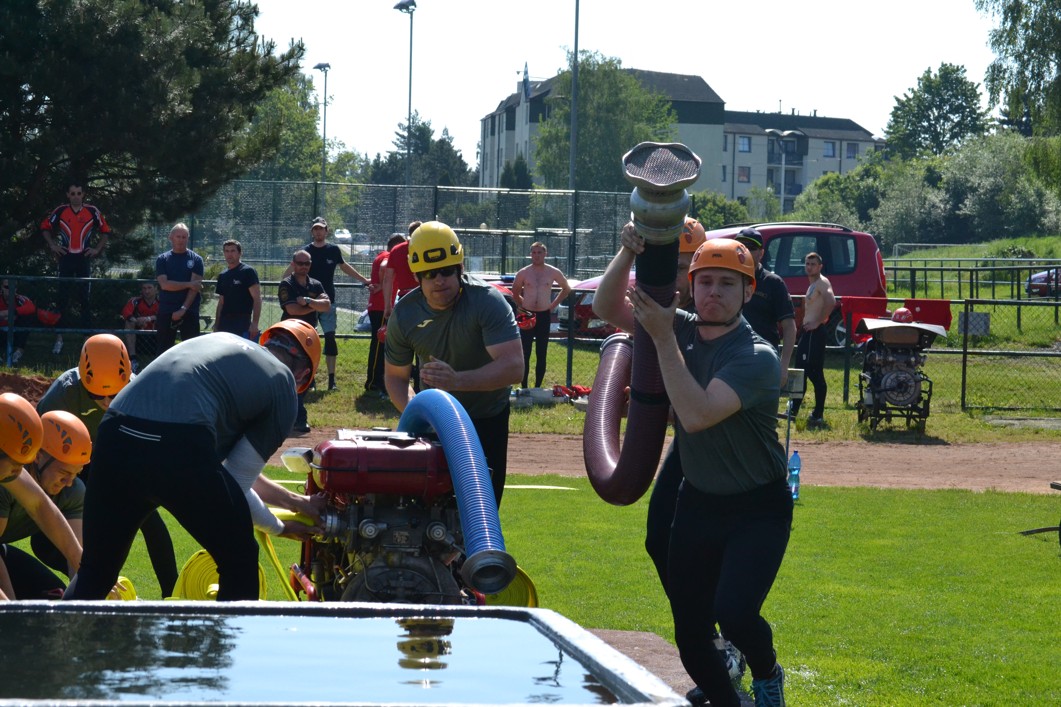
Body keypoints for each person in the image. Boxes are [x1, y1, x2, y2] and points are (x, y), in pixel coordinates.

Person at [597, 236, 791, 707]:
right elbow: (606, 306)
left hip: (756, 507)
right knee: (690, 634)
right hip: (699, 501)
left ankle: (767, 673)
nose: (715, 292)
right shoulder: (679, 327)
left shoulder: (756, 356)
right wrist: (626, 251)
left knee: (736, 613)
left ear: (749, 293)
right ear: (691, 285)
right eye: (706, 281)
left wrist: (662, 336)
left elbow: (696, 412)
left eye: (728, 284)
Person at [63, 321, 325, 602]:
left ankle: (60, 643)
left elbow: (221, 474)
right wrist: (278, 527)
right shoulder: (283, 382)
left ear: (267, 342)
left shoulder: (224, 341)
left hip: (115, 432)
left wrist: (297, 503)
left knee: (96, 571)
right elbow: (235, 484)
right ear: (304, 375)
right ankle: (229, 646)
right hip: (177, 444)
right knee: (239, 560)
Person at [384, 221, 523, 507]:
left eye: (447, 271)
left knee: (482, 511)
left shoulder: (487, 302)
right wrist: (419, 413)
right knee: (424, 512)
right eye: (430, 273)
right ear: (417, 276)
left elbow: (513, 366)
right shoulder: (405, 315)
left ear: (460, 268)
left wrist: (457, 380)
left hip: (486, 419)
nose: (440, 280)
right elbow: (395, 378)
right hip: (432, 427)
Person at [37, 334, 179, 597]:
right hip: (75, 463)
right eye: (96, 395)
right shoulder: (64, 393)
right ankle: (94, 575)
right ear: (82, 382)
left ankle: (172, 593)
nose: (107, 402)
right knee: (42, 539)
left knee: (148, 516)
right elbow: (40, 445)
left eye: (115, 393)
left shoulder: (140, 390)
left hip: (117, 457)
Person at [0, 410, 92, 599]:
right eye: (16, 464)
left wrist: (88, 575)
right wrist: (10, 610)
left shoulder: (9, 471)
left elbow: (38, 504)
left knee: (54, 593)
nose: (19, 472)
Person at [292, 217, 370, 391]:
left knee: (330, 338)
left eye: (321, 229)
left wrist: (364, 280)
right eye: (315, 229)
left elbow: (345, 266)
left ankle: (331, 381)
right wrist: (284, 284)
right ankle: (309, 379)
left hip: (328, 302)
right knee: (308, 341)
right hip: (308, 303)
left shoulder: (333, 250)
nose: (318, 232)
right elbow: (292, 271)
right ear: (312, 232)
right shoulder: (305, 252)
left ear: (326, 231)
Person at [38, 180, 112, 355]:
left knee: (84, 299)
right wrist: (53, 245)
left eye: (79, 193)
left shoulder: (92, 211)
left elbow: (106, 231)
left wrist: (97, 249)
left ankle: (87, 340)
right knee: (62, 298)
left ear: (83, 194)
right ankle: (59, 338)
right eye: (73, 193)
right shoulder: (61, 210)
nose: (76, 197)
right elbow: (44, 227)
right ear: (68, 195)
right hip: (66, 257)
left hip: (83, 258)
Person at [731, 228, 796, 388]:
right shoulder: (728, 279)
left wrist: (783, 366)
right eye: (740, 246)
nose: (744, 251)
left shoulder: (773, 283)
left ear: (761, 253)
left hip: (764, 359)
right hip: (732, 357)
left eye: (751, 248)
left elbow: (789, 327)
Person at [278, 250, 330, 434]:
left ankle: (296, 417)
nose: (303, 266)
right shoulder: (287, 284)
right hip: (289, 336)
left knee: (306, 378)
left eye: (307, 263)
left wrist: (307, 301)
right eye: (300, 263)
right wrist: (314, 303)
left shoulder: (316, 284)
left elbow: (327, 306)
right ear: (293, 264)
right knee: (292, 377)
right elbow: (292, 309)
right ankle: (298, 417)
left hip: (309, 337)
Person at [511, 242, 571, 389]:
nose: (536, 255)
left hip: (544, 314)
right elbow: (515, 291)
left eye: (539, 252)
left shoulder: (553, 272)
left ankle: (537, 386)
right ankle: (524, 386)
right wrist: (523, 305)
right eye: (534, 253)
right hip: (527, 314)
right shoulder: (524, 272)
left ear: (545, 254)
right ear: (530, 254)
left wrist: (553, 305)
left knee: (541, 351)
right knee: (525, 351)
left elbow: (566, 288)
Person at [789, 251, 836, 427]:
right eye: (807, 264)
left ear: (820, 266)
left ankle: (816, 413)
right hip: (808, 334)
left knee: (812, 373)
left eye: (813, 264)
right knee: (802, 371)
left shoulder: (822, 283)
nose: (809, 267)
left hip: (815, 334)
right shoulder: (812, 284)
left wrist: (817, 322)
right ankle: (795, 409)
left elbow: (831, 301)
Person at [365, 233, 408, 396]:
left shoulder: (380, 255)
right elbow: (384, 266)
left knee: (378, 344)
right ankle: (374, 382)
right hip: (381, 306)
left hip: (377, 306)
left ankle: (374, 381)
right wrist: (383, 286)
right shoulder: (388, 256)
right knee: (379, 344)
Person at [155, 222, 204, 354]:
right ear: (171, 237)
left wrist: (183, 309)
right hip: (167, 311)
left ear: (188, 238)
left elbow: (195, 288)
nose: (181, 240)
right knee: (164, 351)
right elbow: (164, 285)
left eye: (184, 237)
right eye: (178, 236)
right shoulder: (162, 259)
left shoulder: (197, 260)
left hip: (189, 311)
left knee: (192, 351)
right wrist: (188, 284)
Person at [213, 239, 262, 340]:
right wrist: (217, 324)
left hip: (242, 323)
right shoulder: (223, 275)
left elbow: (257, 299)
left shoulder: (248, 271)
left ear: (240, 253)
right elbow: (221, 302)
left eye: (232, 251)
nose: (229, 254)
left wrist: (255, 324)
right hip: (224, 323)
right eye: (226, 251)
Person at [381, 220, 423, 322]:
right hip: (424, 295)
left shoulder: (396, 250)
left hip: (405, 297)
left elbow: (387, 279)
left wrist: (387, 306)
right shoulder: (425, 247)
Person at [121, 281, 160, 372]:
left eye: (149, 288)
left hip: (156, 336)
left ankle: (161, 359)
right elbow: (126, 312)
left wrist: (149, 318)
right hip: (138, 336)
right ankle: (133, 359)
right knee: (129, 322)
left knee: (164, 322)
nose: (146, 291)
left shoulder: (161, 301)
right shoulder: (135, 301)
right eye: (144, 288)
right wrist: (137, 321)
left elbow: (166, 315)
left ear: (156, 289)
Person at [0, 280, 36, 366]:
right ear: (1, 287)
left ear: (16, 289)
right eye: (7, 287)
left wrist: (9, 312)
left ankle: (18, 353)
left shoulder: (19, 298)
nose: (9, 290)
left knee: (28, 317)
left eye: (13, 287)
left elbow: (31, 307)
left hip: (15, 332)